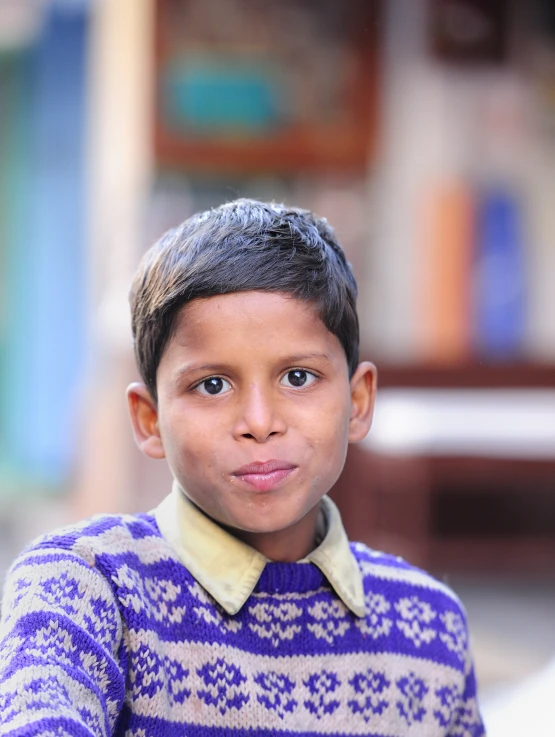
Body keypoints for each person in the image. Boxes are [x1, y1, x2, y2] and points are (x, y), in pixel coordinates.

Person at [0, 199, 485, 736]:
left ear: (359, 401)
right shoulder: (87, 588)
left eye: (298, 378)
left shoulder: (432, 631)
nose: (259, 422)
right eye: (212, 385)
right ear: (150, 420)